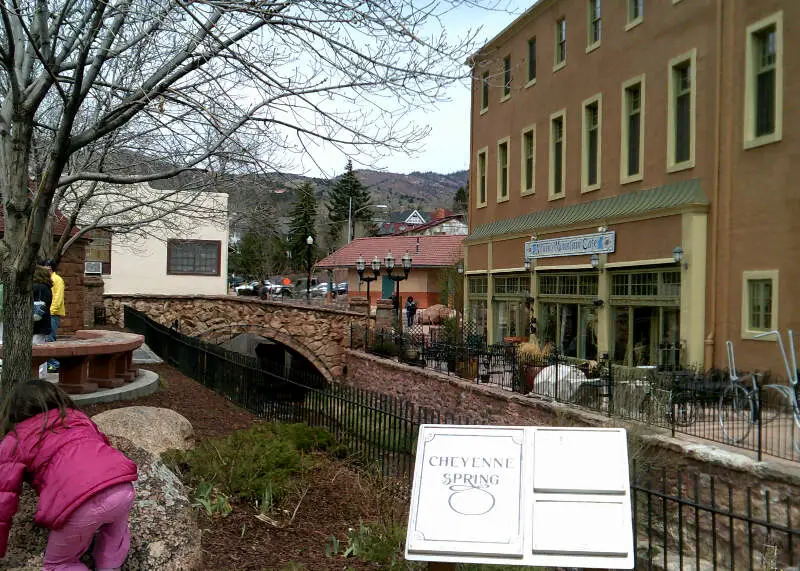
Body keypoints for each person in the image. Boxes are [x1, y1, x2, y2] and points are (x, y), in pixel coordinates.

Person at [0, 380, 138, 569]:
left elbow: (3, 499)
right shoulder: (78, 418)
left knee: (58, 563)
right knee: (114, 534)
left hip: (78, 505)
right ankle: (109, 564)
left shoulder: (14, 439)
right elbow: (102, 445)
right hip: (121, 489)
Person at [44, 259, 64, 372]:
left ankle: (55, 364)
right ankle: (50, 364)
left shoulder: (57, 279)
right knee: (47, 338)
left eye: (46, 266)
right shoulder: (48, 279)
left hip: (53, 314)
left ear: (50, 267)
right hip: (48, 313)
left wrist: (52, 310)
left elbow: (58, 297)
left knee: (50, 338)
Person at [33, 263, 53, 345]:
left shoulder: (36, 287)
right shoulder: (47, 288)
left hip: (36, 325)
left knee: (35, 350)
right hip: (43, 324)